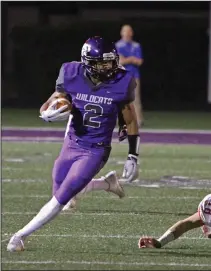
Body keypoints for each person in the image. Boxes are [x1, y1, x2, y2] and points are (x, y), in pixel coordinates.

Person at [7, 36, 141, 252]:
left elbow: (131, 120)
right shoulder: (71, 73)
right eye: (102, 63)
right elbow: (55, 98)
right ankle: (107, 184)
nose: (109, 67)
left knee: (63, 197)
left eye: (110, 61)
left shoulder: (122, 81)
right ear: (87, 63)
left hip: (95, 149)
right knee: (61, 188)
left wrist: (133, 155)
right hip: (71, 143)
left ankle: (20, 235)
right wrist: (48, 112)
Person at [116, 24, 144, 128]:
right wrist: (131, 59)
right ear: (121, 33)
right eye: (125, 31)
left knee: (136, 99)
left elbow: (139, 61)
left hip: (134, 75)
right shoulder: (118, 46)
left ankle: (139, 120)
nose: (127, 34)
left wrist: (127, 59)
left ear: (131, 33)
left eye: (129, 31)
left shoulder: (136, 46)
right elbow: (119, 61)